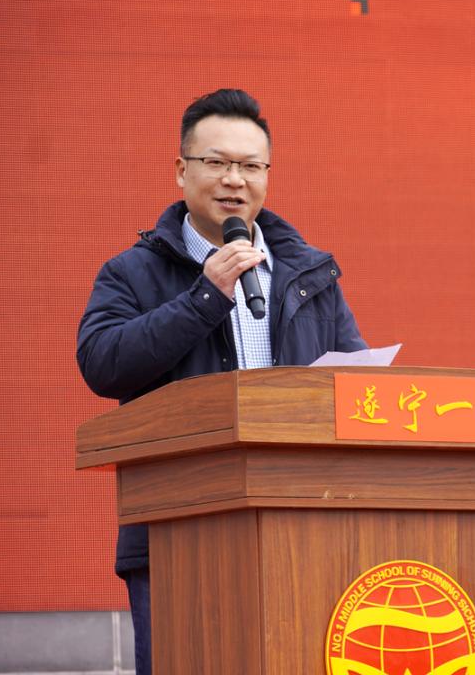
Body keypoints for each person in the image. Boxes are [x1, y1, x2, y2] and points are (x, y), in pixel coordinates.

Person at [76, 88, 367, 675]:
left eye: (251, 166)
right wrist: (204, 297)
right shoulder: (132, 273)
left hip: (302, 526)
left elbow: (358, 384)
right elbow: (102, 362)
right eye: (217, 162)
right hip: (177, 531)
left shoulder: (310, 274)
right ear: (182, 170)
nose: (235, 179)